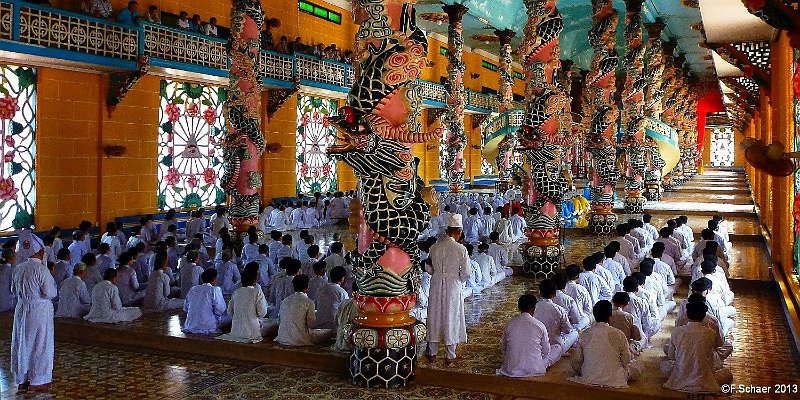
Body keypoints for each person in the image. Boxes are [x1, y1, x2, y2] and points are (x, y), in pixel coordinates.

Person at [10, 235, 56, 392]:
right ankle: (38, 380)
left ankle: (22, 378)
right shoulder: (41, 270)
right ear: (41, 251)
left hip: (22, 308)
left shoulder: (18, 268)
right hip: (39, 311)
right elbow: (50, 292)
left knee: (22, 342)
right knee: (39, 343)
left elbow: (13, 291)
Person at [425, 214, 470, 366]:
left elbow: (429, 269)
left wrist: (438, 273)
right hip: (453, 284)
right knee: (451, 315)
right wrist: (458, 280)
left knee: (435, 315)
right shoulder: (461, 249)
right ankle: (450, 355)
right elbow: (466, 273)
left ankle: (432, 352)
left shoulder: (434, 247)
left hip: (436, 282)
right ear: (458, 231)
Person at [661, 301, 733, 393]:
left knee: (664, 365)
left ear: (687, 314)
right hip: (705, 379)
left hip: (680, 379)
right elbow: (719, 346)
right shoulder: (710, 333)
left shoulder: (677, 331)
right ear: (704, 316)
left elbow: (671, 356)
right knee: (727, 374)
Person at [570, 300, 641, 388]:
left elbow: (577, 360)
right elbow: (626, 360)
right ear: (610, 317)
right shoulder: (618, 334)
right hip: (615, 379)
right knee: (637, 366)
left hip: (589, 377)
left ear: (594, 316)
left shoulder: (584, 334)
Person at [496, 294, 560, 377]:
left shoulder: (510, 323)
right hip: (534, 369)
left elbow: (504, 348)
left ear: (519, 308)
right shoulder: (539, 325)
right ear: (534, 308)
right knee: (557, 348)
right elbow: (546, 351)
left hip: (511, 369)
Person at [275, 274, 333, 346]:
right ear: (307, 287)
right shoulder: (308, 302)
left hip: (282, 337)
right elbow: (311, 324)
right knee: (329, 332)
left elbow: (279, 320)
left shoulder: (285, 300)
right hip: (300, 340)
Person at [219, 263, 269, 343]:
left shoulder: (236, 292)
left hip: (236, 331)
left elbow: (229, 312)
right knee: (273, 325)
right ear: (256, 276)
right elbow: (262, 313)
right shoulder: (257, 291)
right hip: (252, 333)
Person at [534, 279, 578, 356]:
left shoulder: (533, 308)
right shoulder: (559, 309)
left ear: (540, 293)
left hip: (537, 345)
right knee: (575, 333)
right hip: (555, 345)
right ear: (554, 294)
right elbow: (567, 330)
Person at [183, 268, 230, 334]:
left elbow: (185, 308)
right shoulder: (215, 289)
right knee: (230, 317)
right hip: (208, 325)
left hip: (190, 325)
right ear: (214, 279)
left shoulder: (193, 289)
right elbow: (220, 310)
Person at [609, 292, 642, 357]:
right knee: (637, 345)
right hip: (624, 348)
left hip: (608, 347)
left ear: (613, 301)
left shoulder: (606, 315)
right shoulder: (629, 317)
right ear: (627, 304)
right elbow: (637, 337)